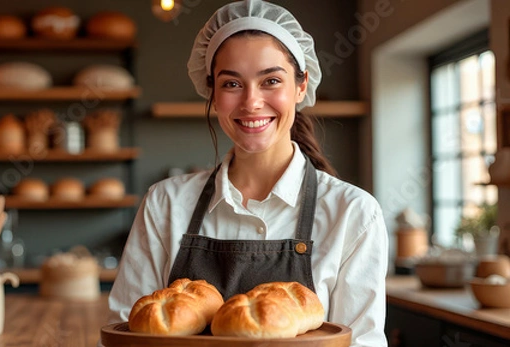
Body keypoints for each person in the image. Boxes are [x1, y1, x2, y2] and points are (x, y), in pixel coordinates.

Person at [108, 1, 388, 346]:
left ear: (301, 86)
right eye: (231, 84)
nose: (251, 102)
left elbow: (362, 342)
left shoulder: (353, 213)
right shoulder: (165, 203)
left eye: (271, 80)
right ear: (212, 91)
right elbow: (127, 334)